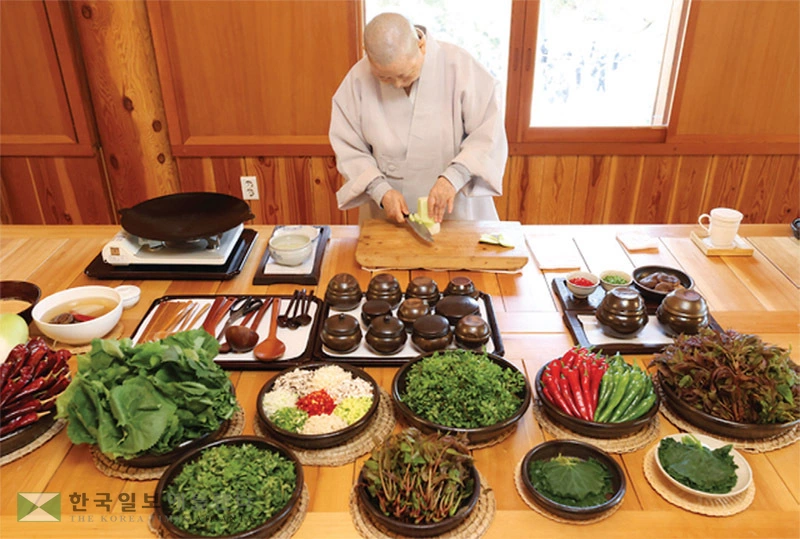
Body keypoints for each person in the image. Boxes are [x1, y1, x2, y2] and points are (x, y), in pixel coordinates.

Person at [329, 12, 508, 225]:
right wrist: (380, 190)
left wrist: (454, 177)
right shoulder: (357, 81)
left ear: (421, 46)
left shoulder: (460, 67)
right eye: (384, 78)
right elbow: (350, 149)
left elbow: (488, 133)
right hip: (390, 212)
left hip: (456, 205)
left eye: (405, 74)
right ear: (367, 55)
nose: (397, 84)